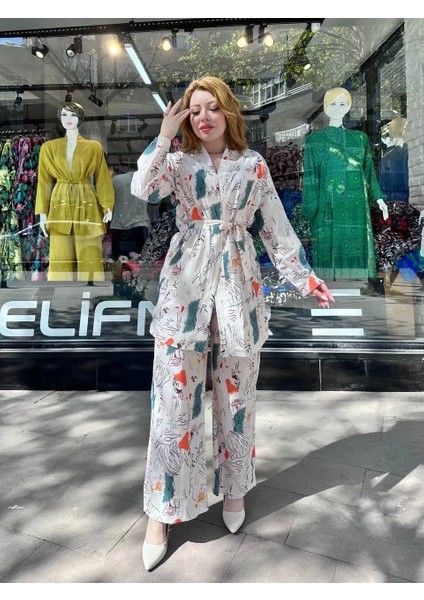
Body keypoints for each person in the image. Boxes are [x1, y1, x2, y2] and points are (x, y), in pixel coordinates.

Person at [131, 76, 334, 571]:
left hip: (239, 286)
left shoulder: (253, 164)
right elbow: (143, 188)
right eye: (195, 109)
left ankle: (235, 489)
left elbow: (276, 228)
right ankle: (162, 511)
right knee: (172, 403)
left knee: (238, 397)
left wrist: (304, 278)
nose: (204, 117)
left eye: (212, 107)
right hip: (185, 289)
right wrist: (164, 135)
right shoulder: (177, 163)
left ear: (228, 112)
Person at [302, 87, 388, 280]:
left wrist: (378, 198)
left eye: (342, 103)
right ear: (325, 107)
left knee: (355, 243)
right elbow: (310, 177)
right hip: (327, 206)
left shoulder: (359, 139)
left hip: (355, 206)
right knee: (329, 246)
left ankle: (356, 281)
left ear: (348, 107)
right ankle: (330, 284)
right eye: (333, 103)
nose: (337, 108)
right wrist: (310, 208)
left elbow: (368, 172)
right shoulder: (315, 141)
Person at [35, 102, 115, 282]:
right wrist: (42, 212)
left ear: (80, 118)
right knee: (60, 257)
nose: (68, 119)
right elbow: (44, 182)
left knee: (90, 254)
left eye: (73, 115)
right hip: (60, 202)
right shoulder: (48, 148)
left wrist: (107, 206)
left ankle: (93, 293)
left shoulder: (94, 147)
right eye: (64, 115)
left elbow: (102, 179)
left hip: (86, 201)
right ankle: (60, 295)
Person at [110, 169, 150, 258]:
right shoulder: (145, 181)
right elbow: (154, 202)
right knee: (140, 259)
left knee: (118, 260)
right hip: (140, 224)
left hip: (119, 225)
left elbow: (109, 202)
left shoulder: (116, 180)